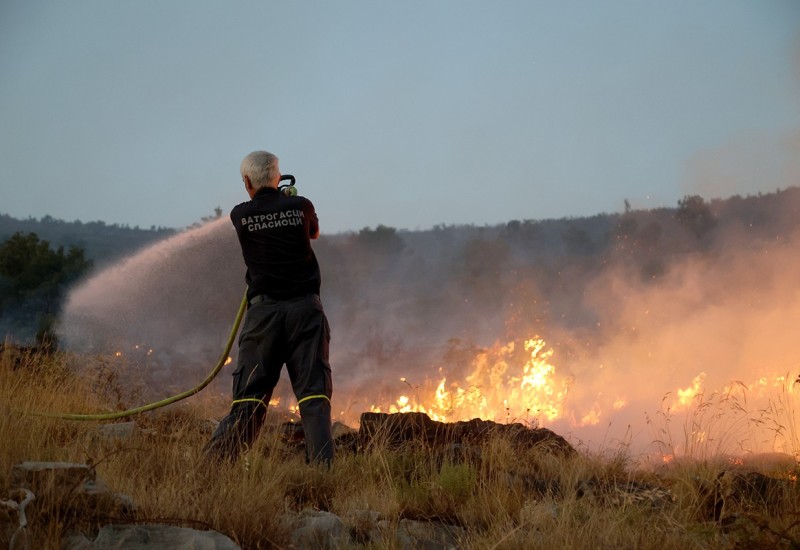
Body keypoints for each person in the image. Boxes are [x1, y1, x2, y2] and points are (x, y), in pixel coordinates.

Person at [204, 151, 334, 464]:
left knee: (250, 396)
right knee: (314, 396)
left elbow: (264, 224)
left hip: (263, 317)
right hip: (305, 312)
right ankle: (323, 474)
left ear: (247, 182)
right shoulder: (301, 206)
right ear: (278, 176)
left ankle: (214, 468)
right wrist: (289, 197)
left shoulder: (240, 215)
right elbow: (312, 232)